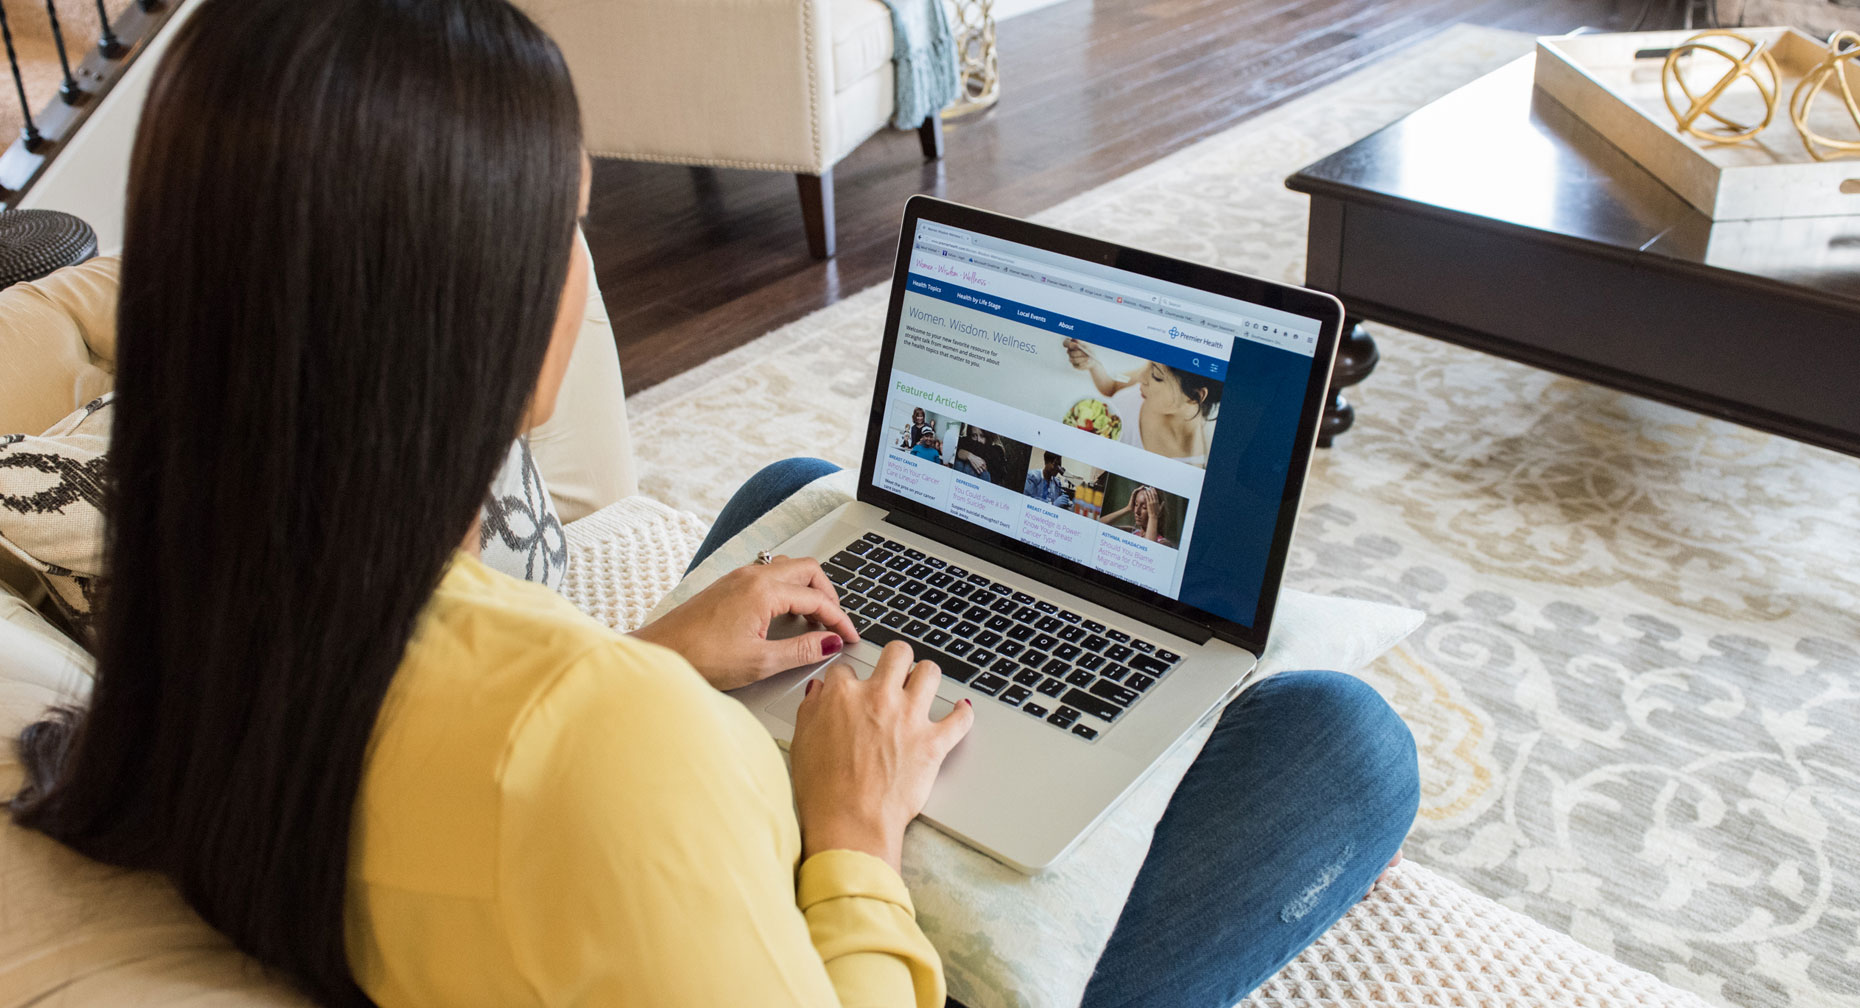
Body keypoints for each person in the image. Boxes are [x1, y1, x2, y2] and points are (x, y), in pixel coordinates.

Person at [8, 3, 1418, 1006]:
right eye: (567, 224)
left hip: (594, 862)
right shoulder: (614, 750)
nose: (583, 267)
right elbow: (581, 785)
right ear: (477, 324)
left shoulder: (194, 608)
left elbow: (463, 751)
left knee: (802, 500)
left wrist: (645, 656)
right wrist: (856, 834)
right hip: (812, 919)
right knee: (1343, 745)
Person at [1063, 337, 1219, 466]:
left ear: (1193, 396)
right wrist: (1093, 364)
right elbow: (1113, 387)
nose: (1141, 379)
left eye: (1156, 376)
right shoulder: (1154, 371)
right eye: (1149, 364)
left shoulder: (1188, 466)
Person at [1101, 484, 1176, 548]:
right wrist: (1128, 508)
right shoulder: (1132, 532)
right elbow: (1099, 525)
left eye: (1144, 507)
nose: (1137, 511)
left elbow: (1147, 552)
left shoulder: (1164, 544)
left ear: (1157, 511)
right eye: (1136, 504)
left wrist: (1153, 516)